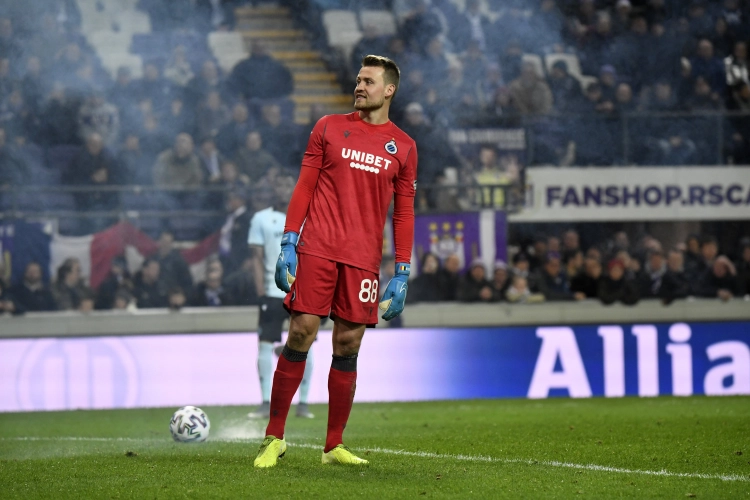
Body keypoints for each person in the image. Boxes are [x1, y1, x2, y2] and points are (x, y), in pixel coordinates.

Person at [253, 55, 417, 468]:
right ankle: (274, 438)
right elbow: (305, 184)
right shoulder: (328, 127)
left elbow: (404, 212)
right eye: (358, 79)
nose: (359, 86)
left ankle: (333, 445)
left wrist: (401, 270)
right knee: (301, 333)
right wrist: (290, 240)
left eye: (368, 81)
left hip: (363, 260)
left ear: (389, 89)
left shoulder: (405, 147)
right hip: (318, 248)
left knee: (348, 344)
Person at [247, 171, 315, 420]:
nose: (283, 188)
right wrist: (260, 290)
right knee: (265, 343)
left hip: (304, 290)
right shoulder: (261, 219)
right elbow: (256, 257)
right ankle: (266, 401)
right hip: (272, 290)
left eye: (288, 183)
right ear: (272, 189)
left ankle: (304, 402)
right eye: (278, 184)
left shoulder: (309, 215)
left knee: (307, 344)